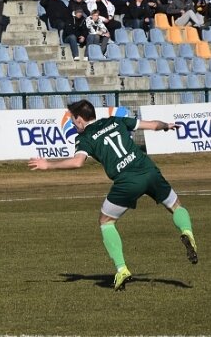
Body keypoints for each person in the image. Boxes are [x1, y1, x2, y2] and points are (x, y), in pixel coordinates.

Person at [28, 99, 198, 291]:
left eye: (72, 120)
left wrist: (48, 164)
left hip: (127, 181)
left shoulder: (85, 137)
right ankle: (187, 232)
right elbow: (151, 125)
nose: (73, 124)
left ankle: (122, 269)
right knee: (176, 206)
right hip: (148, 170)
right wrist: (167, 125)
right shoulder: (115, 120)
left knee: (106, 221)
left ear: (80, 119)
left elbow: (77, 162)